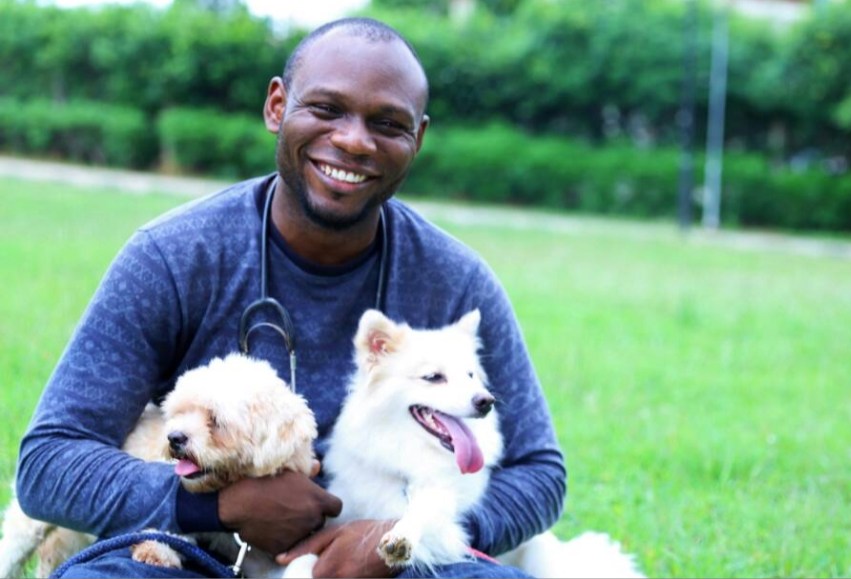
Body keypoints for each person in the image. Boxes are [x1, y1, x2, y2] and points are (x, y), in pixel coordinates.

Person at [14, 17, 566, 579]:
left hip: (391, 567)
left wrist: (408, 539)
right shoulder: (172, 258)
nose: (354, 140)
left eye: (387, 123)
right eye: (327, 109)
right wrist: (213, 506)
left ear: (416, 139)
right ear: (277, 106)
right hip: (197, 559)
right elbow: (49, 462)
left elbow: (539, 472)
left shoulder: (454, 281)